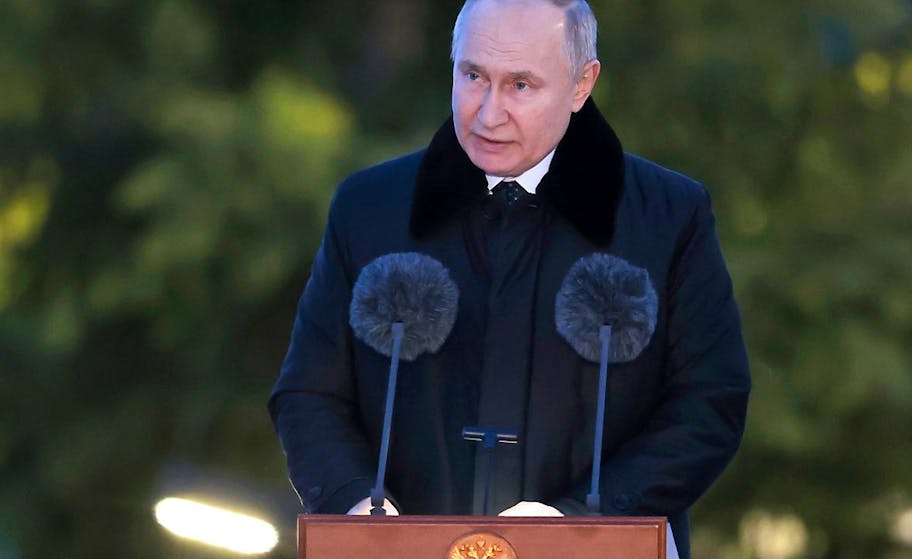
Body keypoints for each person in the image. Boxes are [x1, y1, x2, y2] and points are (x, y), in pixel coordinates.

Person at [268, 1, 750, 557]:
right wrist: (356, 510)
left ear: (581, 84)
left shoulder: (670, 217)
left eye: (521, 85)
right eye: (473, 76)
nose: (487, 113)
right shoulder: (367, 208)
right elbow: (308, 393)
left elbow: (709, 405)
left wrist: (578, 520)